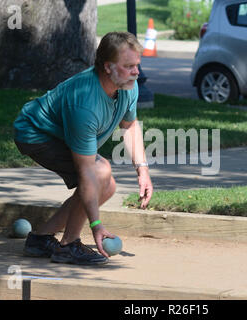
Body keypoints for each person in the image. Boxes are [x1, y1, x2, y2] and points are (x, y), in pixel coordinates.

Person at [13, 32, 153, 266]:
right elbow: (87, 172)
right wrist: (96, 226)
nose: (136, 72)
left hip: (58, 133)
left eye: (137, 65)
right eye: (128, 66)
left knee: (107, 187)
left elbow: (129, 126)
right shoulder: (85, 102)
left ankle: (40, 239)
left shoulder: (129, 85)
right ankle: (68, 246)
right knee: (99, 173)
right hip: (35, 133)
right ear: (108, 67)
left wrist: (143, 171)